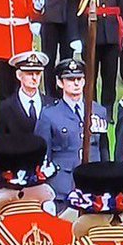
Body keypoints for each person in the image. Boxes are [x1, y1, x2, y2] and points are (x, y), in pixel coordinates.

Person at [34, 59, 109, 213]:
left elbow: (104, 149)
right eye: (70, 79)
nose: (76, 83)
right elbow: (42, 155)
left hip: (94, 186)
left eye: (79, 79)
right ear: (60, 83)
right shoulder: (49, 114)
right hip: (64, 188)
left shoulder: (98, 111)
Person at [68, 0, 123, 117]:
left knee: (109, 76)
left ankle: (108, 112)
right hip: (90, 34)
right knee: (90, 75)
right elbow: (71, 11)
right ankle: (90, 109)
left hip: (111, 34)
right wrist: (74, 37)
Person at [0, 51, 52, 137]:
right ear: (19, 75)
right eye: (29, 74)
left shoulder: (52, 105)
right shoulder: (5, 108)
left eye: (38, 73)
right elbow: (1, 144)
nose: (34, 78)